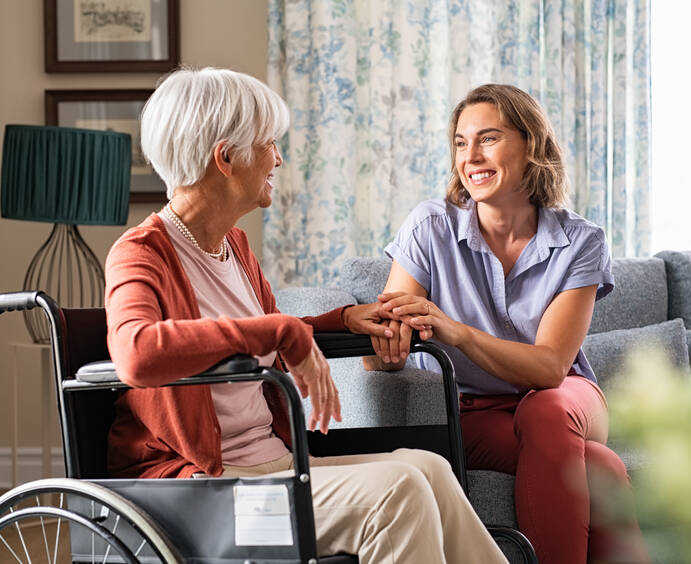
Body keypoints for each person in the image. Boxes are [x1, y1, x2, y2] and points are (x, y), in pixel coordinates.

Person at [104, 67, 507, 564]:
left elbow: (256, 338)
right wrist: (282, 328)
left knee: (428, 468)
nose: (279, 158)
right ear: (225, 158)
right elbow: (137, 354)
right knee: (398, 491)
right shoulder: (141, 253)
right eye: (268, 143)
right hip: (203, 497)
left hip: (271, 468)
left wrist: (342, 320)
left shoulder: (233, 246)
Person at [367, 84, 651, 564]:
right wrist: (388, 341)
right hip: (474, 410)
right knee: (599, 465)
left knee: (546, 408)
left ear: (532, 145)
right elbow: (381, 352)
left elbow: (548, 370)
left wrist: (454, 330)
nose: (470, 155)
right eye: (461, 142)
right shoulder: (429, 228)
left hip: (567, 400)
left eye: (489, 138)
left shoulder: (580, 241)